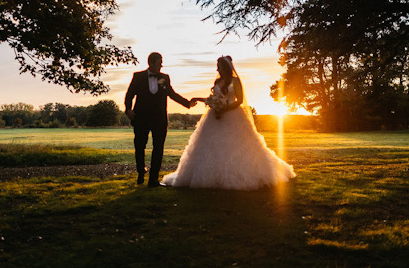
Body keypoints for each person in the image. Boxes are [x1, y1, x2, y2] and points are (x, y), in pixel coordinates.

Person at [163, 55, 296, 190]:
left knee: (237, 146)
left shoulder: (235, 81)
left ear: (225, 67)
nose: (217, 69)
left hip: (233, 116)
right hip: (214, 118)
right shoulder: (217, 82)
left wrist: (225, 108)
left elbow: (239, 100)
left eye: (219, 66)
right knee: (210, 146)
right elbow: (213, 98)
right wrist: (200, 99)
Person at [125, 52, 195, 187]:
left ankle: (153, 179)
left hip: (159, 118)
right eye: (159, 62)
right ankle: (141, 171)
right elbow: (130, 94)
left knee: (158, 148)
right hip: (141, 117)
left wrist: (187, 103)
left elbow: (172, 94)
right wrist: (128, 109)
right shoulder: (138, 77)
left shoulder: (165, 77)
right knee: (139, 146)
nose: (161, 65)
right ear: (151, 63)